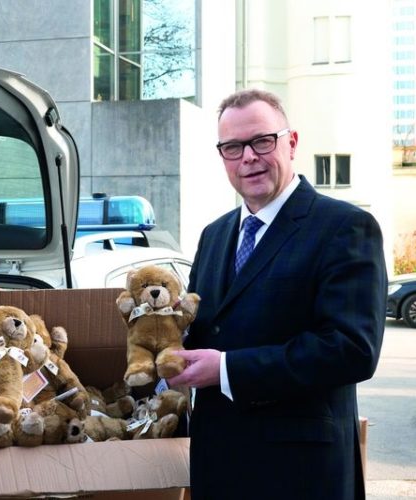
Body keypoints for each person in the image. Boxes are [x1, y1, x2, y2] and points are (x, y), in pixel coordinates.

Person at [166, 88, 387, 500]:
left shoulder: (344, 227)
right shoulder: (214, 235)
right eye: (232, 147)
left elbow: (351, 348)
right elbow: (205, 331)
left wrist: (228, 369)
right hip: (218, 463)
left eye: (261, 141)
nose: (248, 157)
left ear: (292, 142)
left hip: (300, 473)